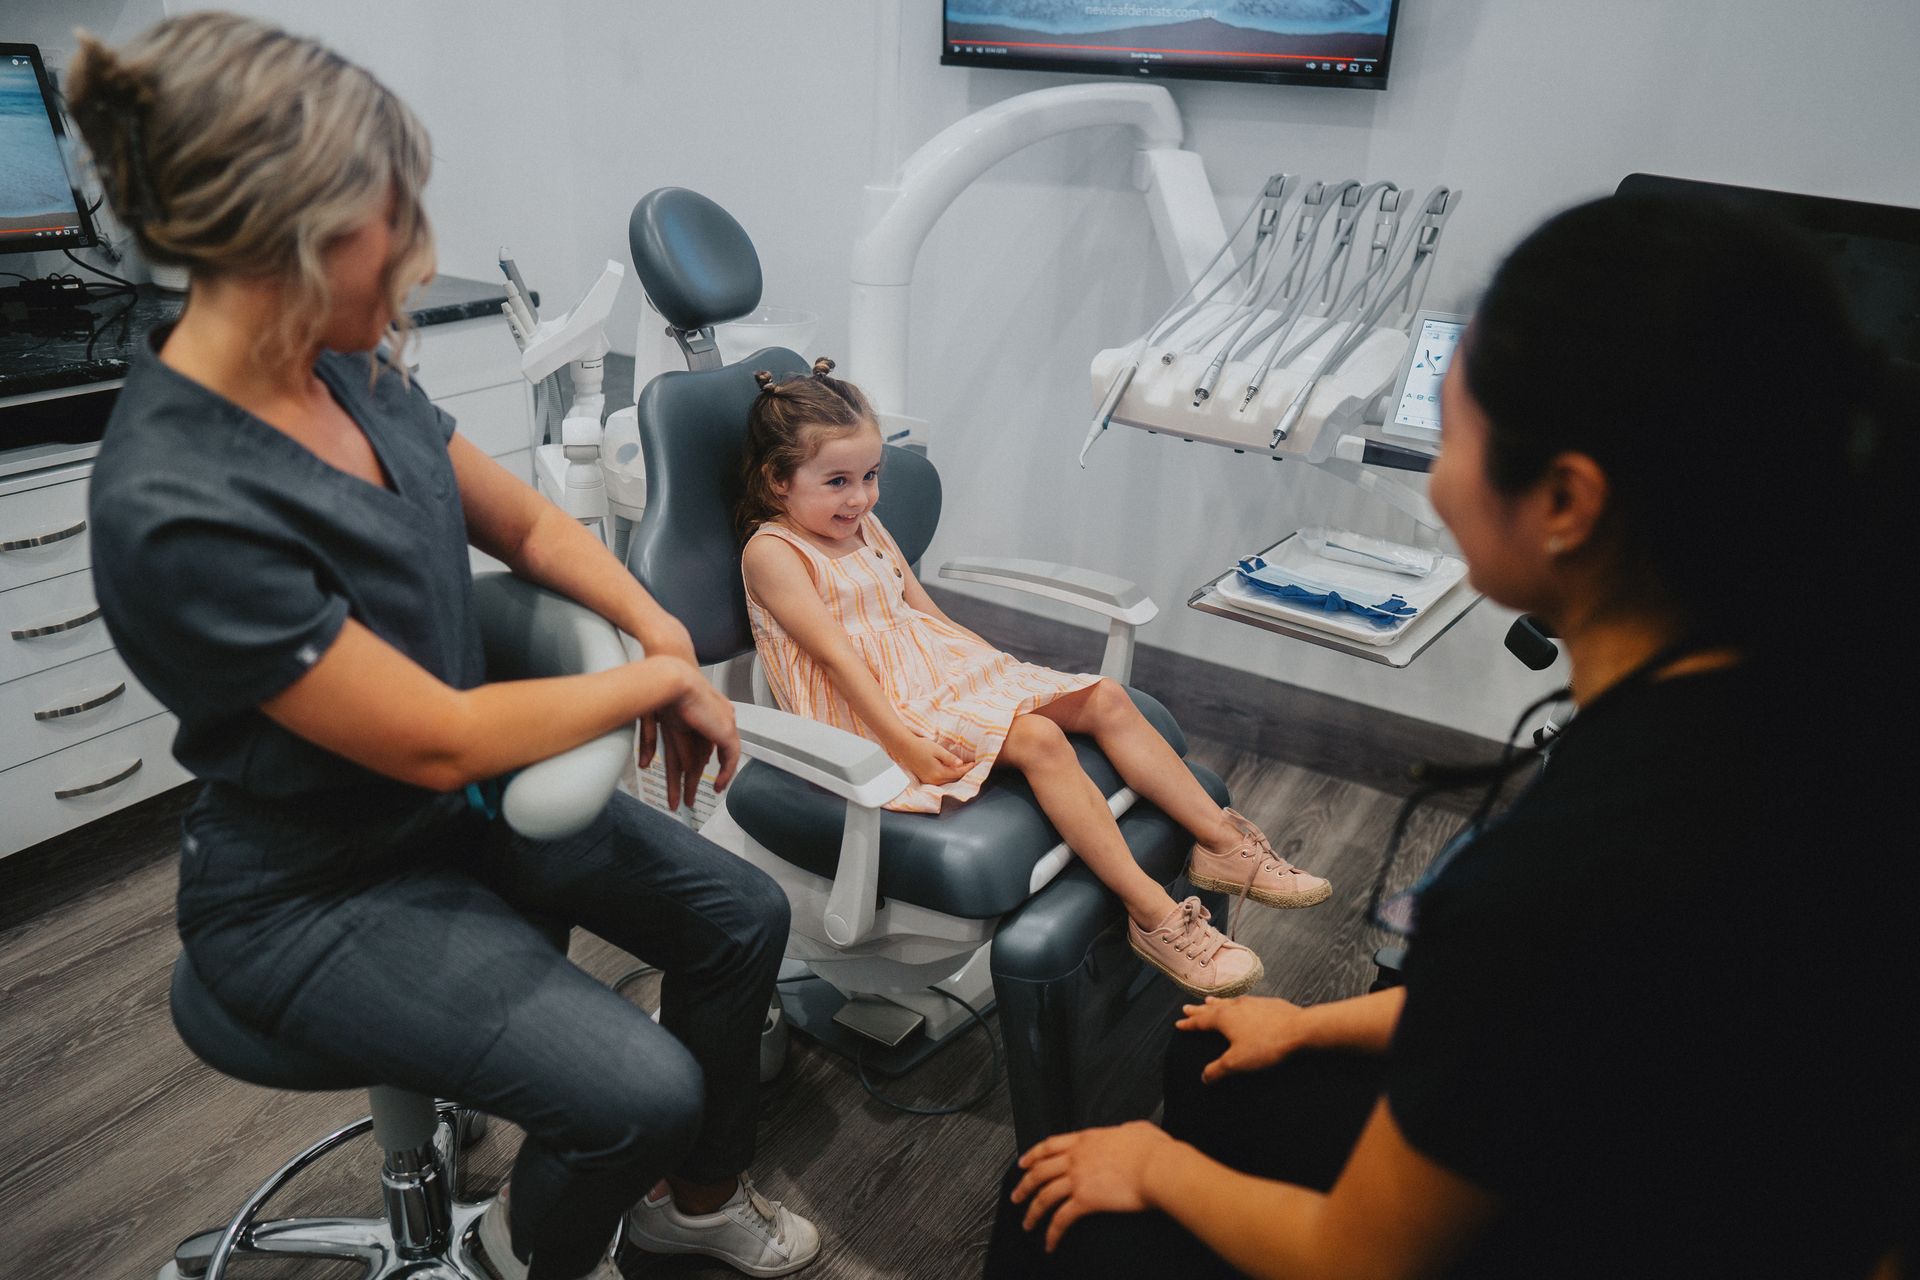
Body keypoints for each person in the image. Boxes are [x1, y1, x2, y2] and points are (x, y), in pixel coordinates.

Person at [988, 194, 1915, 1277]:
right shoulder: (1824, 703)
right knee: (1223, 1067)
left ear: (1566, 500)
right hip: (1737, 1174)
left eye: (1455, 435)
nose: (1434, 477)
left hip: (1612, 1222)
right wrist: (1306, 1022)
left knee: (1047, 1207)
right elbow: (1570, 1000)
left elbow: (1364, 1259)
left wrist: (1152, 1167)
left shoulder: (1571, 867)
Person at [68, 15, 819, 1280]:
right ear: (280, 234)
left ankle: (695, 1209)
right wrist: (664, 677)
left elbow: (519, 516)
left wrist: (653, 623)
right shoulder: (177, 496)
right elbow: (434, 736)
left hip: (457, 812)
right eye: (391, 221)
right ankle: (508, 1260)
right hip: (312, 889)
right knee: (637, 1090)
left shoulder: (339, 363)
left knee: (740, 915)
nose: (416, 257)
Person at [736, 360, 1332, 999]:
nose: (861, 497)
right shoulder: (773, 552)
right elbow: (834, 660)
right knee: (1042, 741)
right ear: (777, 481)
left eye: (871, 476)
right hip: (870, 711)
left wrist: (1001, 676)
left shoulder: (865, 527)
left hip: (931, 673)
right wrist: (905, 745)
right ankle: (1155, 914)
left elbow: (924, 613)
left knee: (1102, 697)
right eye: (837, 482)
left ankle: (1222, 844)